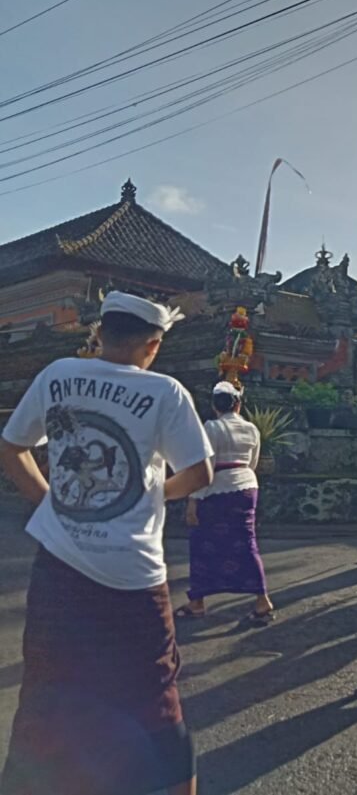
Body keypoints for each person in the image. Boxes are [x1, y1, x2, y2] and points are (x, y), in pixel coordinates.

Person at [0, 292, 213, 795]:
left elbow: (12, 447)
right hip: (132, 575)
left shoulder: (57, 374)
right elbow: (200, 472)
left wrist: (49, 502)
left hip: (57, 566)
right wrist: (152, 493)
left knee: (49, 690)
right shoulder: (166, 392)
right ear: (153, 345)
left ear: (99, 334)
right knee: (156, 698)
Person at [176, 381, 274, 624]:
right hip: (246, 488)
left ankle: (197, 601)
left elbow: (204, 468)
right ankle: (262, 601)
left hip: (217, 491)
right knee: (246, 542)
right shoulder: (252, 429)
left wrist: (193, 500)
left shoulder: (212, 428)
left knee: (201, 544)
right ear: (238, 404)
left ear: (214, 405)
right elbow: (252, 462)